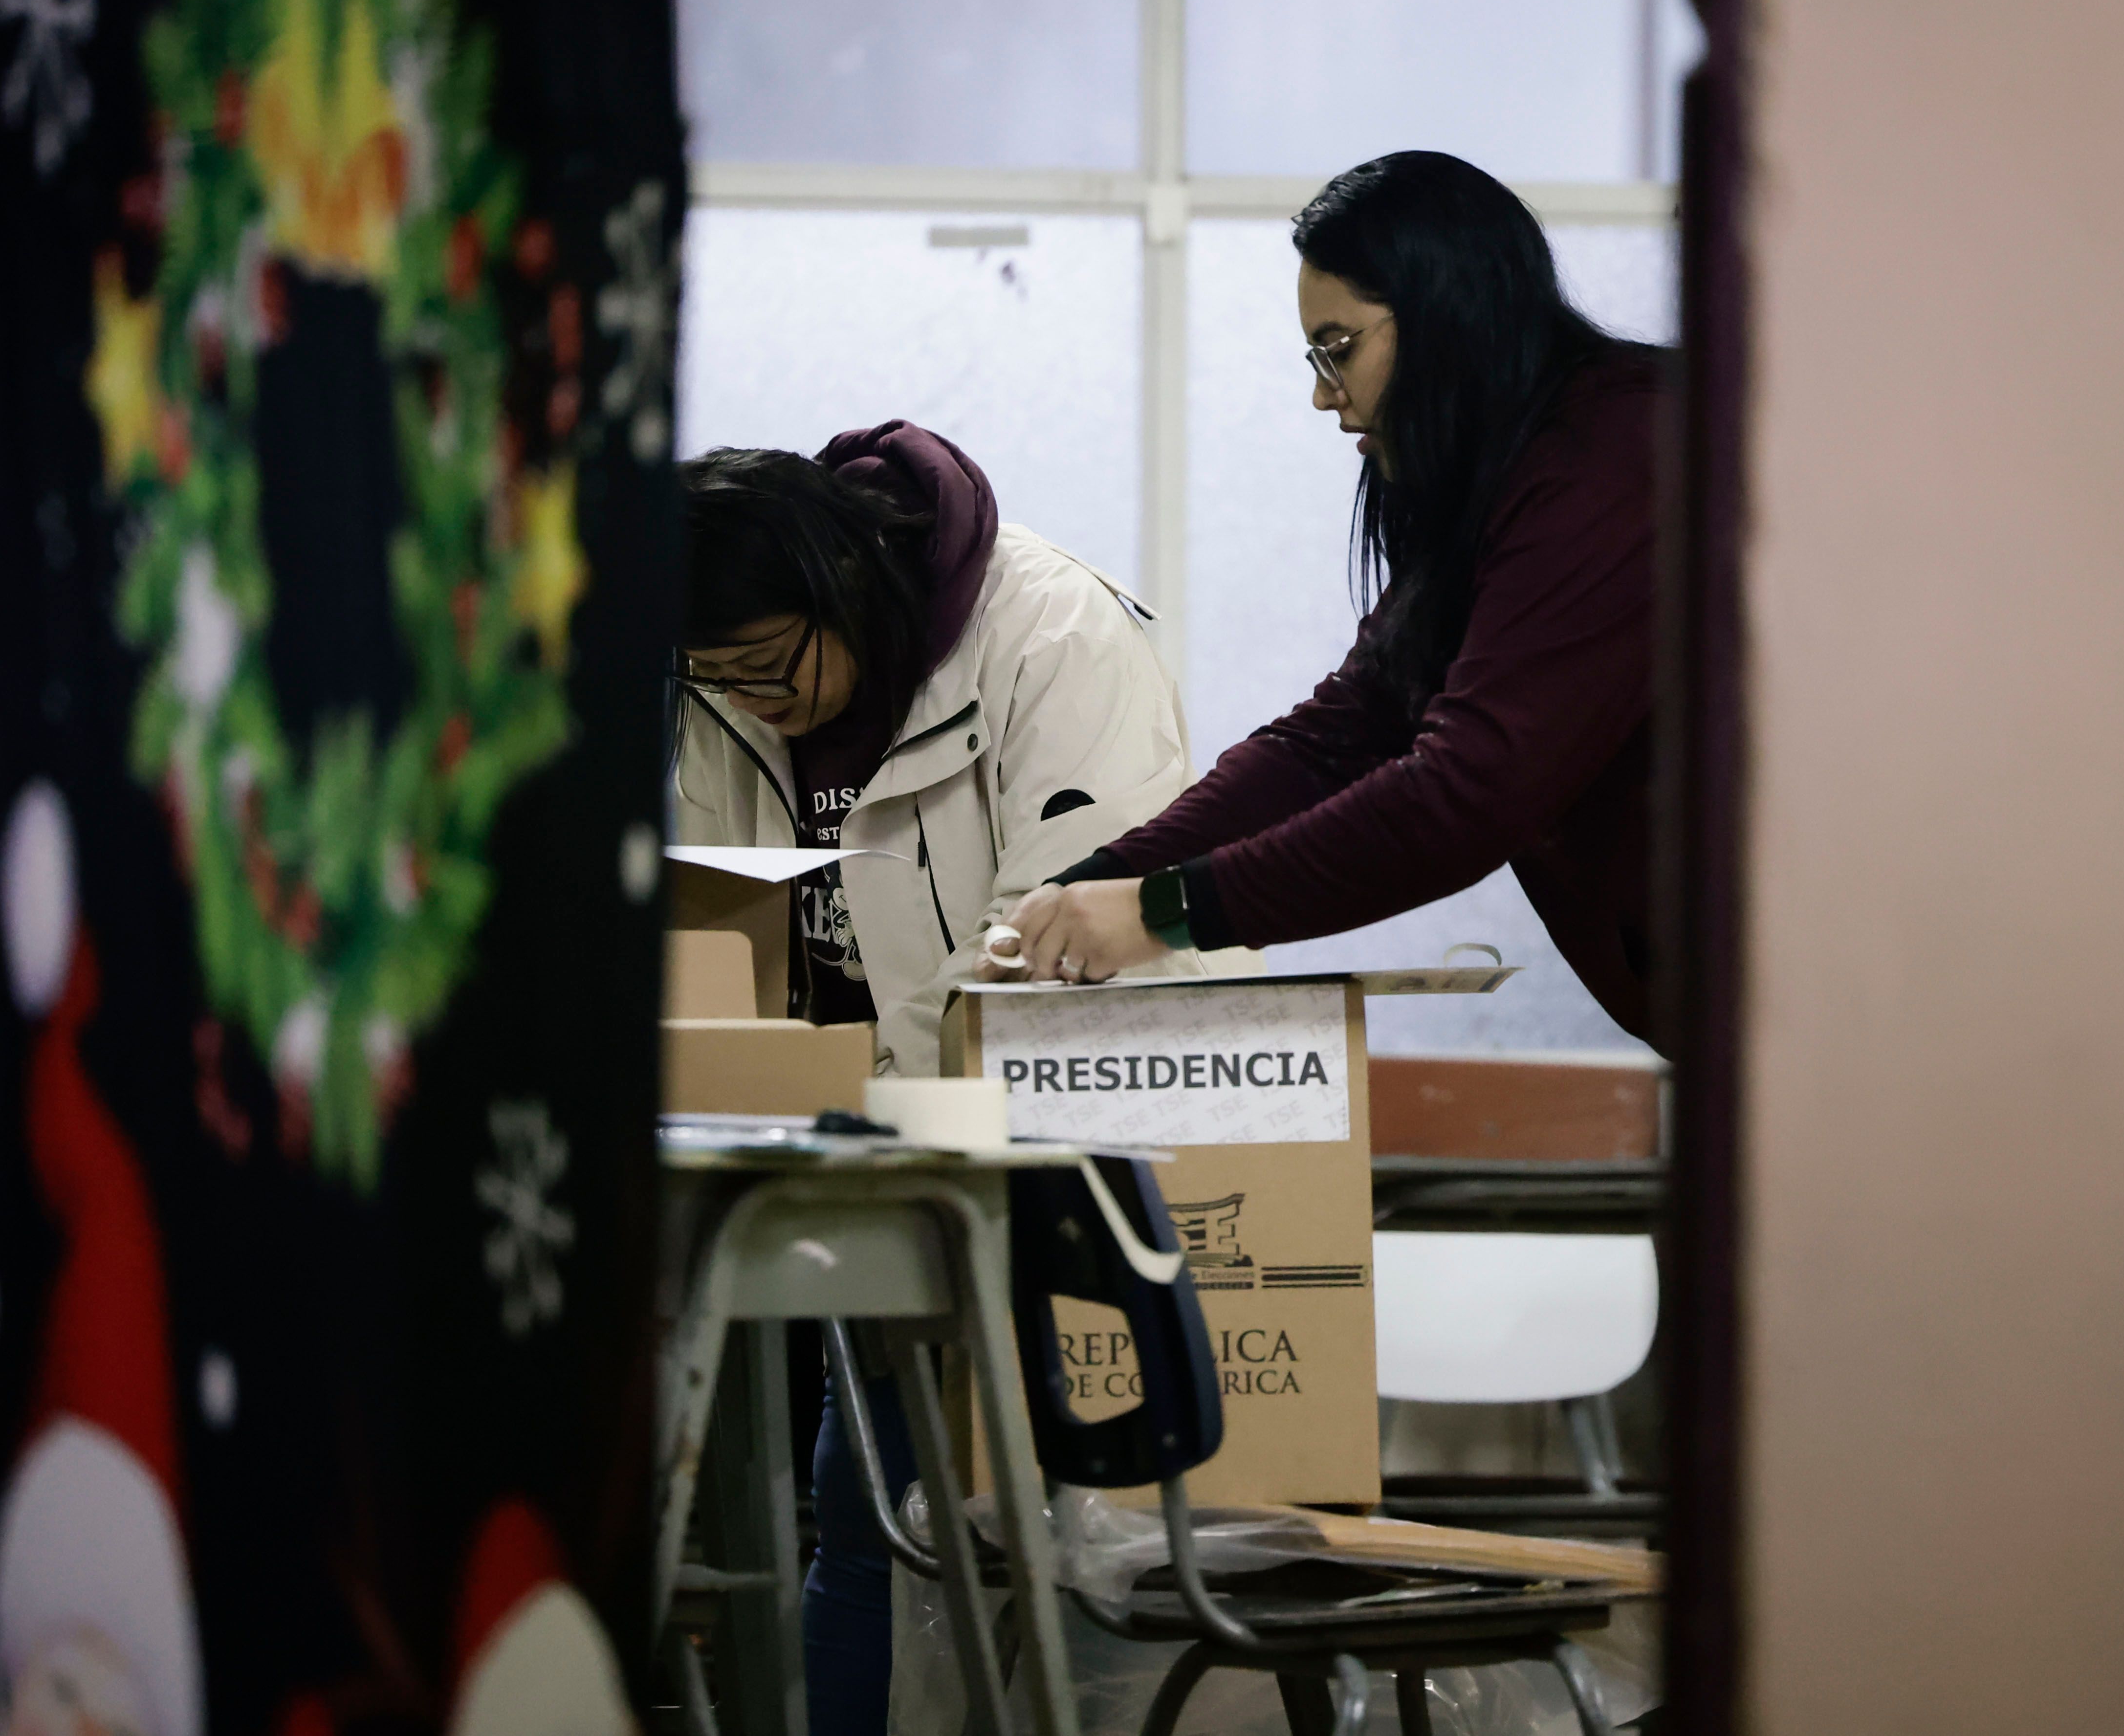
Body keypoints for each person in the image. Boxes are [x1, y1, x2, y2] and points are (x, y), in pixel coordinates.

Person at [667, 423, 1206, 1736]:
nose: (747, 702)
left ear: (844, 583)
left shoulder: (1049, 636)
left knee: (1036, 1547)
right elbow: (722, 917)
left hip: (1053, 1134)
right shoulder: (716, 683)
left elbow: (1075, 928)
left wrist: (889, 1097)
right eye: (711, 680)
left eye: (763, 667)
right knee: (863, 1526)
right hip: (865, 1156)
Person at [990, 151, 1672, 1052]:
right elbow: (1338, 735)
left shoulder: (1613, 457)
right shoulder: (1502, 479)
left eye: (1339, 349)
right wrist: (1098, 880)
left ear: (1445, 318)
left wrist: (1159, 912)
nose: (1322, 394)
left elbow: (1465, 793)